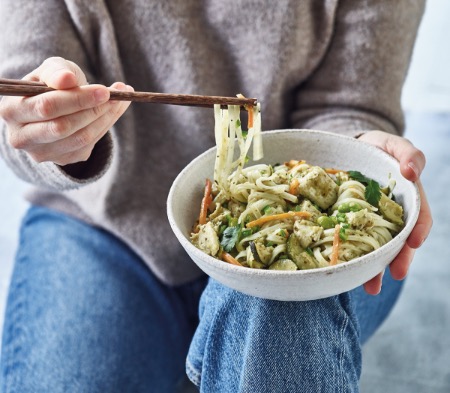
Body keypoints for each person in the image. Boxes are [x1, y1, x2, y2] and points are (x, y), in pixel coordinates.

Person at [0, 1, 432, 392]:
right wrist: (52, 135)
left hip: (311, 234)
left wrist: (361, 152)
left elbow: (353, 99)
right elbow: (16, 114)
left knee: (278, 308)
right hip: (102, 223)